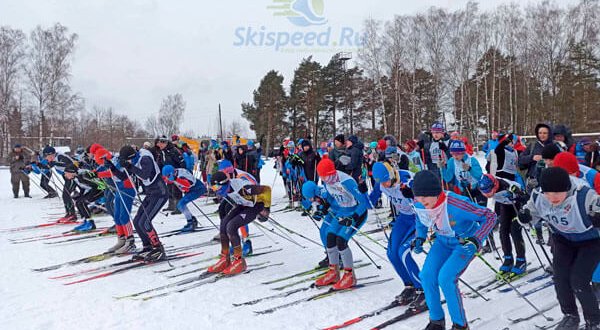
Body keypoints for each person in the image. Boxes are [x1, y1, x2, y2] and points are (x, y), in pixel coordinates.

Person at [411, 170, 496, 330]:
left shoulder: (456, 204)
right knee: (427, 276)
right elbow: (420, 218)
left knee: (446, 278)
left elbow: (490, 216)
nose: (421, 201)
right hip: (443, 242)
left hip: (464, 243)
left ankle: (460, 325)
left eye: (424, 197)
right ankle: (436, 321)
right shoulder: (420, 203)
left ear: (436, 193)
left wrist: (476, 239)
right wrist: (420, 237)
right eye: (418, 197)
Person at [519, 167, 600, 330]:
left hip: (590, 241)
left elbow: (597, 207)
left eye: (557, 193)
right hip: (563, 239)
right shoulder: (539, 196)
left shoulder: (584, 195)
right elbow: (530, 214)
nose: (552, 198)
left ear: (566, 188)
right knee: (560, 278)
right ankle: (570, 315)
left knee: (579, 280)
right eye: (548, 193)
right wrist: (524, 217)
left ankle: (594, 321)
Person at [305, 157, 369, 290]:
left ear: (332, 173)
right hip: (342, 211)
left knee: (341, 240)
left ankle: (350, 276)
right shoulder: (327, 181)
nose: (324, 180)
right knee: (329, 237)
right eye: (322, 178)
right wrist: (322, 208)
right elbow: (330, 199)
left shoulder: (346, 181)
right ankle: (333, 272)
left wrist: (353, 217)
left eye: (326, 177)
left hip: (356, 213)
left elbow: (363, 203)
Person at [369, 162, 424, 307]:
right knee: (392, 253)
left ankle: (422, 289)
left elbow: (427, 199)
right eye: (382, 182)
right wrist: (361, 191)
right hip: (404, 218)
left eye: (386, 181)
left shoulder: (407, 178)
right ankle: (409, 286)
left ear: (392, 175)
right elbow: (370, 202)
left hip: (419, 218)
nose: (385, 185)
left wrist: (412, 194)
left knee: (403, 252)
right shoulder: (380, 183)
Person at [207, 171, 271, 275]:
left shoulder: (244, 189)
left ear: (224, 184)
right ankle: (225, 258)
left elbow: (267, 189)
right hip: (243, 204)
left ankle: (239, 261)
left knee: (231, 226)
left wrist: (266, 209)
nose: (216, 191)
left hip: (255, 206)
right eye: (213, 188)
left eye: (216, 188)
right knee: (224, 224)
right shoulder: (227, 189)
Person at [115, 145, 168, 262]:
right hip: (150, 194)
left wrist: (129, 166)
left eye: (126, 159)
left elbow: (145, 174)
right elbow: (124, 177)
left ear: (130, 157)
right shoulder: (134, 160)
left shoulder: (145, 158)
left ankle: (158, 247)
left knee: (145, 222)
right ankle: (147, 246)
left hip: (160, 193)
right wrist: (113, 168)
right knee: (137, 221)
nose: (127, 162)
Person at [478, 174, 529, 277]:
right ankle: (508, 259)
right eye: (484, 192)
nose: (487, 194)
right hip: (505, 206)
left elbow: (526, 198)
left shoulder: (506, 185)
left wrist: (516, 196)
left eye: (489, 191)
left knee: (514, 231)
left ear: (494, 185)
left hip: (517, 206)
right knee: (503, 231)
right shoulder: (490, 187)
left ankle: (521, 260)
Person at [95, 148, 136, 253]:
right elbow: (102, 169)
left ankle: (130, 241)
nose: (102, 162)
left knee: (124, 216)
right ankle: (121, 239)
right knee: (117, 216)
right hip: (119, 189)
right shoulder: (110, 161)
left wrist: (99, 175)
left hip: (127, 189)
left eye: (101, 160)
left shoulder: (118, 161)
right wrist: (93, 173)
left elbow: (112, 173)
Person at [162, 165, 207, 232]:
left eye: (168, 176)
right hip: (191, 190)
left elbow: (189, 184)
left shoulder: (181, 175)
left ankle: (190, 222)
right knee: (180, 205)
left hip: (198, 189)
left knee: (181, 204)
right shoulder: (175, 174)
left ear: (171, 173)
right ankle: (192, 220)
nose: (167, 178)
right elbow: (168, 180)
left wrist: (176, 179)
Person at [63, 164, 106, 232]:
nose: (65, 175)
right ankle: (86, 221)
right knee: (78, 202)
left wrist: (87, 197)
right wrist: (80, 196)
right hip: (94, 189)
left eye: (66, 173)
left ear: (71, 172)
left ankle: (91, 224)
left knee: (83, 202)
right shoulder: (76, 177)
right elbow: (83, 188)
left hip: (101, 189)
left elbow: (98, 185)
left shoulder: (82, 176)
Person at [40, 146, 77, 223]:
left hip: (74, 176)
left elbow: (69, 164)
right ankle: (70, 213)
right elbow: (48, 167)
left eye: (46, 157)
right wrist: (37, 164)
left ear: (51, 154)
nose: (46, 159)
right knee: (67, 195)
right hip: (68, 177)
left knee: (66, 195)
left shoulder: (60, 156)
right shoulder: (54, 159)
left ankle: (72, 214)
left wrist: (55, 163)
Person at [441, 140, 484, 205]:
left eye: (458, 153)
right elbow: (448, 178)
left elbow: (480, 176)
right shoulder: (451, 161)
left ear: (463, 152)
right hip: (463, 190)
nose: (455, 156)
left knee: (478, 210)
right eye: (452, 154)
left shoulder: (472, 160)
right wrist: (442, 168)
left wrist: (470, 169)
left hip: (476, 189)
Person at [518, 123, 553, 192]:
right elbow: (520, 159)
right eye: (540, 133)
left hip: (550, 180)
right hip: (533, 181)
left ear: (549, 134)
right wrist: (532, 157)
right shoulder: (533, 145)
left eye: (545, 133)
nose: (542, 135)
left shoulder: (554, 146)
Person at [156, 135, 186, 214]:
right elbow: (160, 163)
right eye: (159, 143)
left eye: (160, 143)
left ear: (165, 143)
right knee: (169, 190)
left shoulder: (173, 150)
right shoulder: (162, 152)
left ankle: (179, 207)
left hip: (175, 173)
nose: (159, 145)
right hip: (167, 174)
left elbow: (181, 162)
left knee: (176, 190)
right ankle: (171, 205)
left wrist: (182, 173)